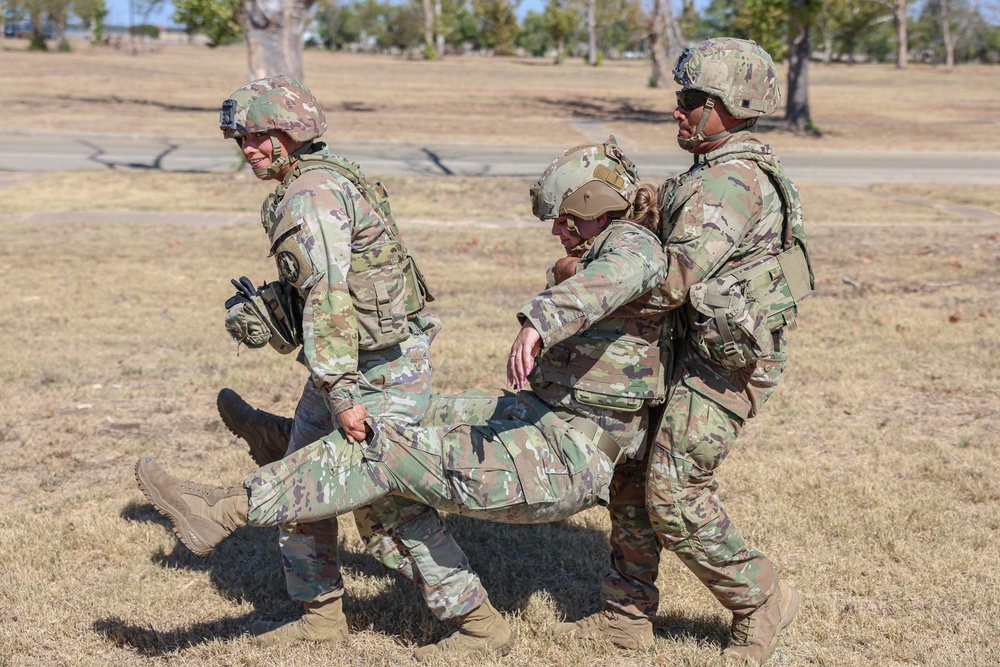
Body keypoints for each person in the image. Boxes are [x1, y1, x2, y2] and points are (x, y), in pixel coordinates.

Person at [133, 140, 674, 646]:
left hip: (568, 458)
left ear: (599, 205)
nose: (557, 229)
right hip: (541, 419)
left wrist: (540, 319)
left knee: (382, 450)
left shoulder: (633, 246)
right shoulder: (603, 247)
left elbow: (625, 271)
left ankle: (228, 507)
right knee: (395, 416)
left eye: (565, 218)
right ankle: (303, 445)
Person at [208, 75, 507, 659]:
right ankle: (320, 618)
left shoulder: (311, 195)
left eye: (258, 135)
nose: (247, 148)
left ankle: (479, 626)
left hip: (379, 371)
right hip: (352, 362)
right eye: (240, 137)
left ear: (290, 135)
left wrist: (343, 394)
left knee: (388, 503)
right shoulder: (320, 179)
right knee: (299, 477)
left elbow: (328, 296)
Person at [552, 38, 814, 666]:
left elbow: (669, 282)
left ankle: (760, 598)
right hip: (688, 345)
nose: (678, 110)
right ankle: (628, 610)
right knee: (631, 471)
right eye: (680, 97)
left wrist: (578, 277)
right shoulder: (708, 171)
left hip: (726, 362)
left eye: (693, 100)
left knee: (672, 490)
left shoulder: (731, 183)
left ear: (734, 106)